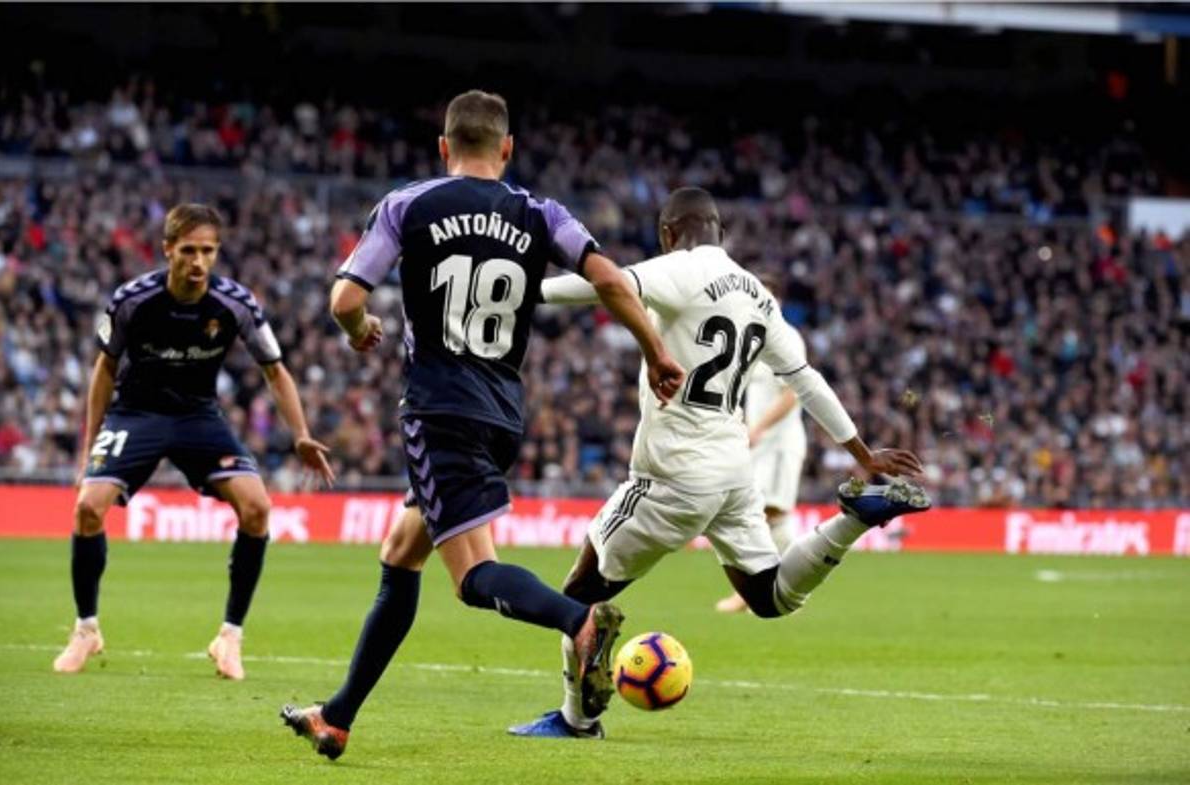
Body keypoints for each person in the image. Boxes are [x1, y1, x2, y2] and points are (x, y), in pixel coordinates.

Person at [280, 90, 685, 760]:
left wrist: (359, 329)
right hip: (501, 413)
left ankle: (580, 622)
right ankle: (338, 715)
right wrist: (656, 351)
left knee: (473, 577)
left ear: (444, 146)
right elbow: (612, 280)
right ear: (508, 148)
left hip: (439, 408)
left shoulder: (408, 205)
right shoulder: (541, 213)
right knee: (401, 553)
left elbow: (345, 297)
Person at [509, 187, 928, 739]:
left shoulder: (679, 269)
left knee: (578, 597)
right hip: (733, 472)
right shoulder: (757, 294)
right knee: (771, 596)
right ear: (721, 233)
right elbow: (805, 379)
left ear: (668, 233)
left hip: (672, 475)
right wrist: (864, 455)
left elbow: (603, 284)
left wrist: (523, 292)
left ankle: (577, 720)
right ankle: (853, 519)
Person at [52, 203, 335, 681]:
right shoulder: (131, 301)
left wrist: (301, 434)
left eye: (207, 251)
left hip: (198, 417)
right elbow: (104, 371)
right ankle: (86, 630)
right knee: (87, 508)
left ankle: (230, 637)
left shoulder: (236, 304)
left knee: (257, 508)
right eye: (188, 250)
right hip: (136, 414)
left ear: (217, 252)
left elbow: (275, 371)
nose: (198, 261)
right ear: (168, 250)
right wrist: (87, 450)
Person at [714, 280, 807, 613]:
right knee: (761, 514)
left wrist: (760, 429)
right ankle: (782, 590)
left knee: (771, 513)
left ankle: (772, 591)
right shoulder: (752, 339)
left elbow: (793, 393)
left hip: (779, 443)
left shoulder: (787, 338)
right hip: (759, 443)